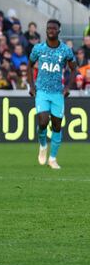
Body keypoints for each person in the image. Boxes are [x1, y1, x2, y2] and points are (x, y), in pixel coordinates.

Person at [27, 20, 77, 169]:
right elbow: (29, 66)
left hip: (57, 93)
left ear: (58, 31)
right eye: (48, 28)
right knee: (42, 122)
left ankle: (53, 159)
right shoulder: (38, 49)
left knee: (56, 126)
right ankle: (43, 145)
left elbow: (74, 69)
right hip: (42, 91)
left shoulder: (65, 50)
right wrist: (31, 86)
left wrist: (68, 87)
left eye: (53, 28)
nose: (50, 30)